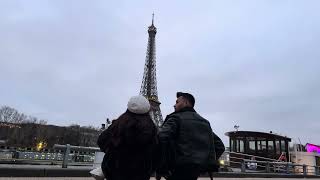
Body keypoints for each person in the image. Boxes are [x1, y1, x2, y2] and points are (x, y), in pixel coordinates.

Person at [157, 92, 225, 180]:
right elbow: (220, 146)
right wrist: (206, 161)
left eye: (177, 102)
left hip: (178, 168)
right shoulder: (204, 122)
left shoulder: (175, 118)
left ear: (186, 103)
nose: (174, 105)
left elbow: (161, 137)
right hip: (196, 170)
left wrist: (163, 165)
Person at [97, 95, 158, 180]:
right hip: (140, 173)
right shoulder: (151, 128)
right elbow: (155, 151)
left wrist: (112, 153)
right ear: (147, 108)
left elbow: (101, 141)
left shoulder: (119, 123)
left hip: (116, 171)